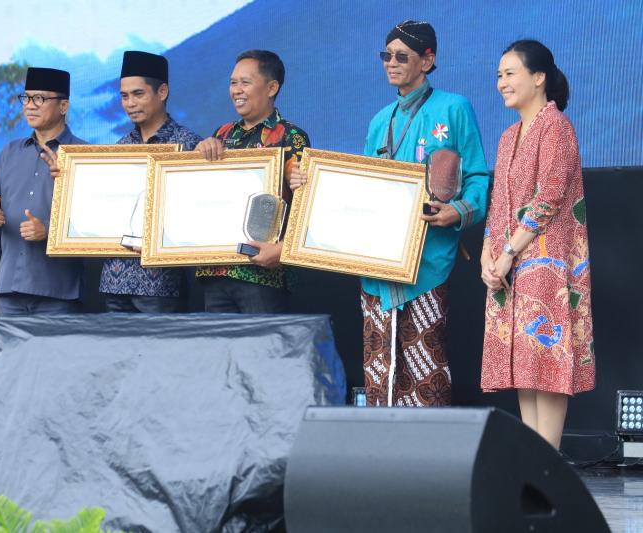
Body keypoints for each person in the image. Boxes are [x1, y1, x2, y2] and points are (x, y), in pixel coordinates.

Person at [291, 20, 490, 407]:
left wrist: (457, 211)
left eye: (402, 56)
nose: (391, 63)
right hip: (377, 264)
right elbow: (362, 186)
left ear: (427, 60)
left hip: (426, 260)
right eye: (386, 55)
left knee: (424, 366)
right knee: (379, 367)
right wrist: (310, 182)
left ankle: (428, 445)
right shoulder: (380, 120)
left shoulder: (453, 108)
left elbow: (478, 176)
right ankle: (383, 441)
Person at [481, 40, 594, 449]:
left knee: (545, 362)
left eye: (510, 73)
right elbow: (498, 204)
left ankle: (548, 461)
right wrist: (487, 254)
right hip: (509, 265)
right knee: (523, 367)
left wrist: (508, 253)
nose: (502, 83)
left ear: (539, 77)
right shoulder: (509, 136)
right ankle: (534, 461)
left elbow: (549, 197)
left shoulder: (556, 126)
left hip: (545, 262)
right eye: (499, 75)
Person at [195, 50, 310, 313]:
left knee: (260, 341)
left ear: (271, 88)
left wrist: (282, 249)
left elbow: (305, 205)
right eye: (233, 82)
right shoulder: (221, 134)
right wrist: (199, 155)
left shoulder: (291, 137)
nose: (237, 90)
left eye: (245, 82)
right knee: (218, 341)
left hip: (261, 274)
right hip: (216, 269)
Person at [96, 51, 202, 313]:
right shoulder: (119, 149)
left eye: (138, 94)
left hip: (160, 285)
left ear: (162, 92)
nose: (130, 103)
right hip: (114, 281)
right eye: (124, 96)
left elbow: (196, 213)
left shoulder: (188, 145)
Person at [0, 67, 85, 316]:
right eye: (26, 98)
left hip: (58, 292)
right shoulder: (9, 152)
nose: (30, 106)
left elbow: (95, 220)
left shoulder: (83, 154)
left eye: (40, 99)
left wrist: (49, 230)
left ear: (64, 106)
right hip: (10, 289)